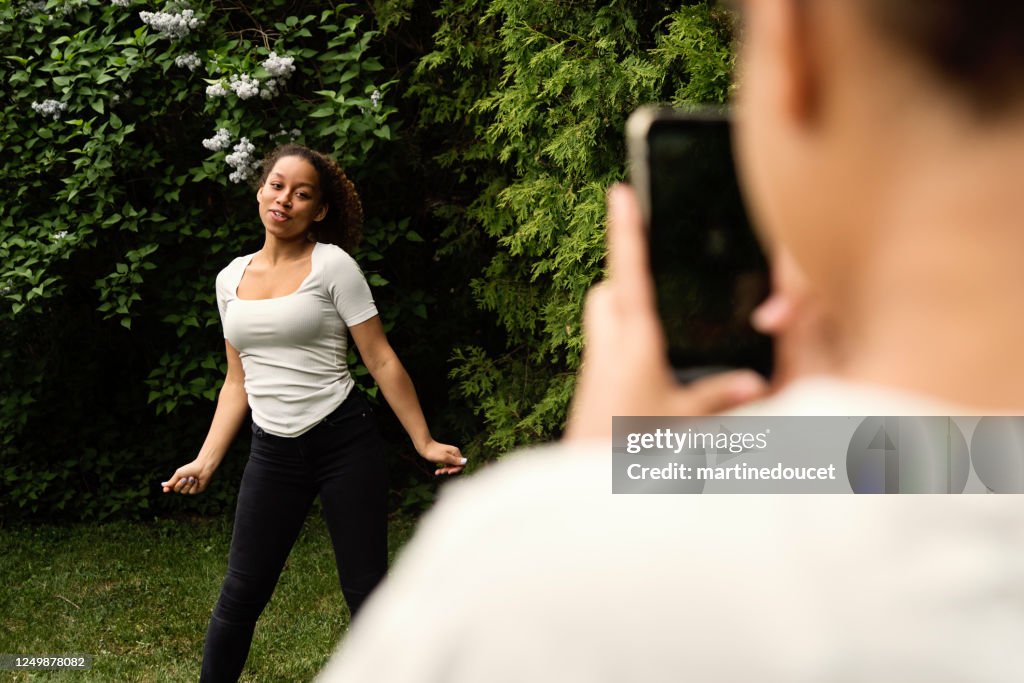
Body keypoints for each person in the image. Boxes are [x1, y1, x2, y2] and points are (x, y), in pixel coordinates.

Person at [316, 0, 1024, 680]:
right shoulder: (954, 468)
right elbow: (980, 461)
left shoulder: (528, 584)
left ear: (795, 30)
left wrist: (597, 493)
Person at [160, 143, 466, 682]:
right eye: (277, 186)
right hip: (272, 452)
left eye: (302, 194)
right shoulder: (229, 280)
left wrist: (423, 440)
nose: (285, 199)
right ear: (260, 191)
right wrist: (206, 461)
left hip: (343, 443)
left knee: (367, 594)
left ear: (318, 211)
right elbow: (238, 380)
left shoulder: (332, 266)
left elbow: (380, 357)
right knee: (240, 594)